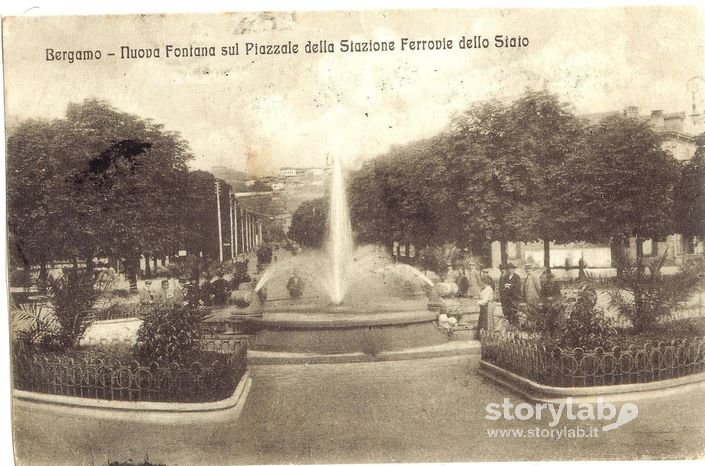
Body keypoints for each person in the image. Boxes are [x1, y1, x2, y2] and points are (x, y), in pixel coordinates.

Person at [476, 271, 495, 337]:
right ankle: (481, 335)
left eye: (482, 282)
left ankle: (487, 335)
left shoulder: (489, 289)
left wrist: (478, 302)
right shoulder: (484, 289)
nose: (481, 283)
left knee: (486, 321)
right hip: (483, 306)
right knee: (482, 320)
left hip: (487, 306)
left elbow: (485, 299)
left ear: (485, 282)